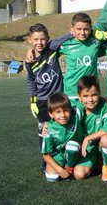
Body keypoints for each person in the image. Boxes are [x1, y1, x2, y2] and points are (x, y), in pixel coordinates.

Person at [25, 23, 72, 172]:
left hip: (58, 99)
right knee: (45, 131)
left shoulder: (52, 48)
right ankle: (46, 161)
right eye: (36, 40)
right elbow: (31, 80)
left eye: (43, 39)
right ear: (29, 40)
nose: (40, 43)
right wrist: (33, 99)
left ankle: (65, 159)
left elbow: (64, 38)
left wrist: (72, 32)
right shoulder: (29, 61)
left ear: (48, 39)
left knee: (62, 128)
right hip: (42, 102)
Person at [74, 75, 107, 181]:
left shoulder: (104, 106)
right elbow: (62, 119)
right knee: (79, 175)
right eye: (86, 96)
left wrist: (88, 138)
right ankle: (96, 161)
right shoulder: (77, 109)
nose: (90, 99)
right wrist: (48, 124)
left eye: (94, 95)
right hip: (87, 149)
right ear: (79, 97)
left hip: (100, 143)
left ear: (99, 93)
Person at [59, 12, 103, 104]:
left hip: (90, 91)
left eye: (86, 29)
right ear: (72, 28)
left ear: (91, 28)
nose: (82, 32)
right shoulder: (65, 44)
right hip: (72, 92)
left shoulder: (96, 42)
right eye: (78, 29)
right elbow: (47, 50)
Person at [41, 92, 84, 182]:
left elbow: (89, 100)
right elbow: (45, 155)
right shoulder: (49, 130)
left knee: (72, 146)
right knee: (52, 178)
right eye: (58, 112)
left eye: (66, 110)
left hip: (78, 151)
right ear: (51, 114)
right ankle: (64, 167)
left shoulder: (76, 115)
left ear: (70, 110)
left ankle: (70, 167)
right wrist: (59, 170)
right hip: (60, 155)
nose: (63, 115)